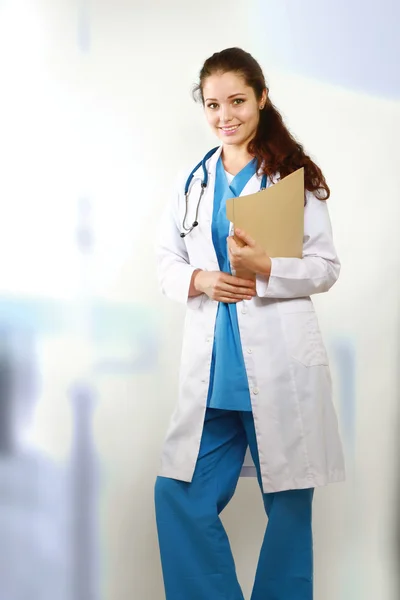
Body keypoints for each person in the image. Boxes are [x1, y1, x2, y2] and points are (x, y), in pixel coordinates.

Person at [154, 47, 345, 600]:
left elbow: (327, 267)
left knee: (288, 510)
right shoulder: (192, 182)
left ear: (261, 98)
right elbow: (166, 261)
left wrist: (267, 269)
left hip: (280, 369)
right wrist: (201, 281)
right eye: (213, 104)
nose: (225, 116)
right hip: (215, 373)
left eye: (237, 100)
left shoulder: (291, 178)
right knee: (179, 495)